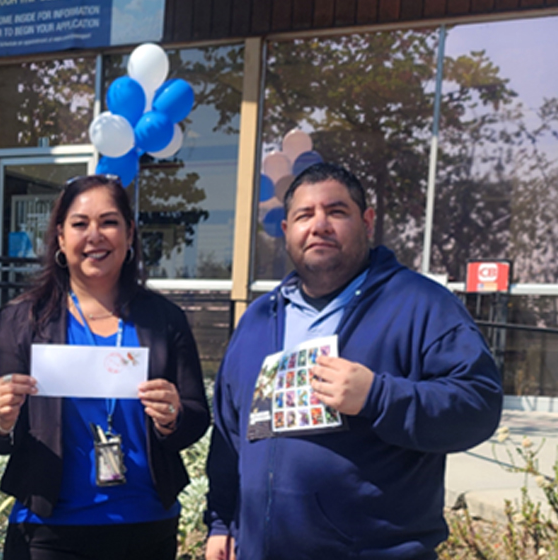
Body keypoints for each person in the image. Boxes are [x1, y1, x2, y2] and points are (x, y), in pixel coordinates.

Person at [205, 163, 503, 560]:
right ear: (286, 231)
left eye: (337, 211)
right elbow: (229, 435)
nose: (320, 225)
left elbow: (479, 405)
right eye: (304, 215)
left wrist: (378, 396)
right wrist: (222, 523)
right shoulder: (259, 321)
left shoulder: (420, 305)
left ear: (367, 221)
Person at [0, 174, 210, 560]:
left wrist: (173, 417)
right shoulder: (25, 319)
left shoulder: (165, 319)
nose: (95, 235)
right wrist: (0, 416)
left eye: (109, 222)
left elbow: (197, 417)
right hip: (49, 531)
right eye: (80, 224)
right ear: (61, 239)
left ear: (130, 234)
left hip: (146, 528)